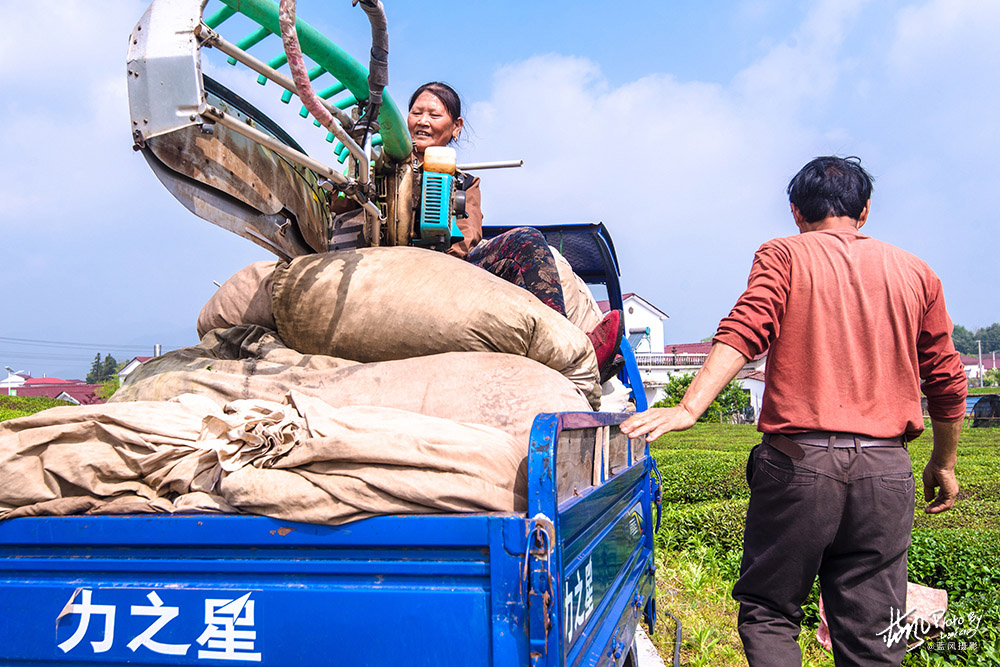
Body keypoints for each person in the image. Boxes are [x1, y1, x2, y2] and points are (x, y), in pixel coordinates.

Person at [621, 156, 967, 665]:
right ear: (865, 210)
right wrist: (944, 462)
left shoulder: (784, 255)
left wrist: (688, 408)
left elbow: (746, 327)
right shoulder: (917, 272)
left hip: (800, 463)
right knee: (874, 635)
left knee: (769, 610)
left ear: (795, 212)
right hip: (887, 471)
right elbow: (945, 378)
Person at [407, 82, 623, 381]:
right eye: (416, 112)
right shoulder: (378, 165)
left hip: (453, 268)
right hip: (396, 262)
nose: (423, 121)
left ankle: (564, 346)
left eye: (434, 114)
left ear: (455, 127)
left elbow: (468, 239)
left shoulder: (466, 182)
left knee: (527, 240)